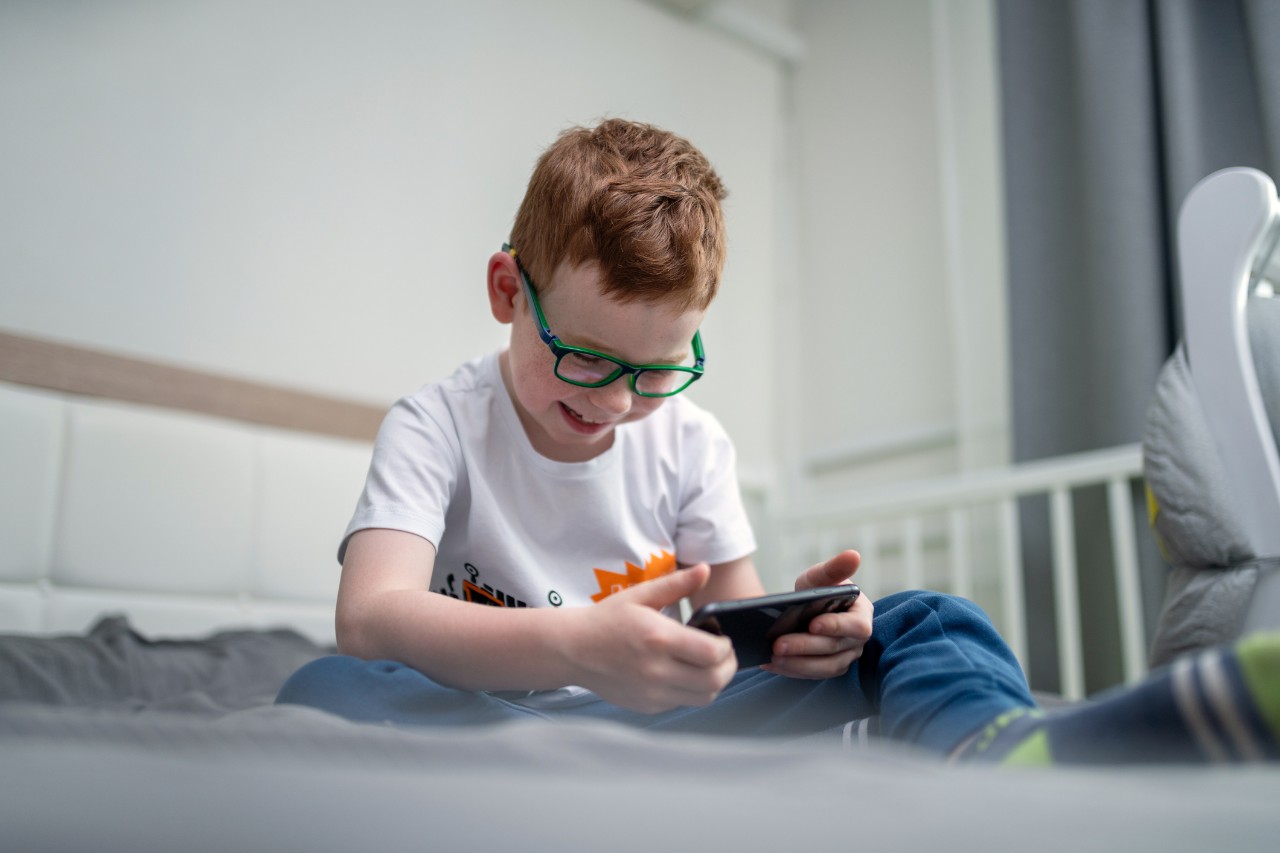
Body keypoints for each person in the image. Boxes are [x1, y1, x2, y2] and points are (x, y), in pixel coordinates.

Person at [278, 118, 1280, 765]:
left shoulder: (689, 442)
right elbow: (369, 620)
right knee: (320, 684)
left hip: (662, 728)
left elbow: (728, 637)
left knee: (924, 617)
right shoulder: (436, 424)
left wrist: (798, 642)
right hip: (492, 725)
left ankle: (999, 759)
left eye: (656, 369)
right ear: (508, 293)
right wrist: (572, 644)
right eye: (585, 358)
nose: (620, 403)